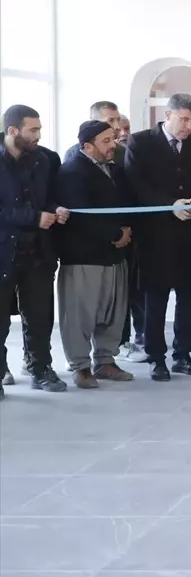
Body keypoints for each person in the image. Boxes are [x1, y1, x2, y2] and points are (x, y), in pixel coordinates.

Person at [123, 92, 191, 382]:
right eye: (184, 119)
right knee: (156, 299)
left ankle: (183, 355)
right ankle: (156, 357)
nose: (189, 125)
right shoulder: (141, 142)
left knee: (189, 296)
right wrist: (169, 205)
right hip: (156, 235)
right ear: (168, 114)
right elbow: (136, 185)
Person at [54, 120, 135, 388]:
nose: (114, 145)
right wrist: (115, 235)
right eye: (106, 141)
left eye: (113, 139)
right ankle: (80, 366)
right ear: (87, 146)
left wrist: (125, 230)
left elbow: (126, 204)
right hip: (84, 257)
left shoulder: (115, 170)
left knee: (113, 313)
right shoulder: (71, 172)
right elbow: (80, 215)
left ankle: (106, 361)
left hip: (115, 256)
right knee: (80, 315)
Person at [0, 105, 69, 396]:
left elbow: (50, 197)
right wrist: (33, 218)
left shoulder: (43, 160)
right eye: (33, 130)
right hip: (4, 252)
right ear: (13, 131)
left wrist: (56, 209)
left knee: (40, 316)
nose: (38, 135)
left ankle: (40, 369)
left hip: (39, 252)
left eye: (39, 129)